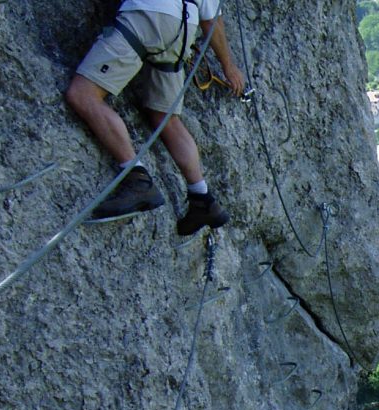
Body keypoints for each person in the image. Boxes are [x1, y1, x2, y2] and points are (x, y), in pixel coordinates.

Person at [65, 0, 245, 235]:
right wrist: (229, 67)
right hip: (183, 29)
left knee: (83, 94)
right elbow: (211, 20)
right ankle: (202, 197)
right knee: (165, 117)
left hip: (148, 14)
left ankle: (137, 178)